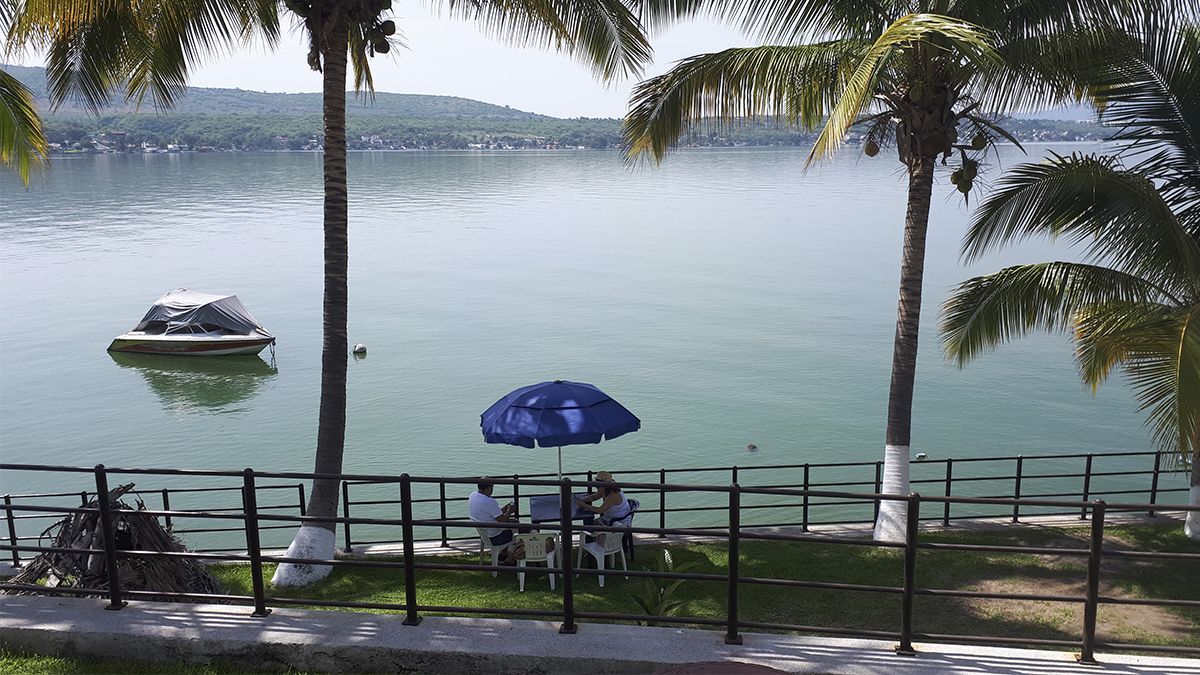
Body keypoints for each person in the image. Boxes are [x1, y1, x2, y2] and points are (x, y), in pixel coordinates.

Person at [469, 478, 522, 563]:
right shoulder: (489, 501)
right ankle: (511, 559)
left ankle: (504, 554)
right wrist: (509, 511)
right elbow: (502, 521)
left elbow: (491, 514)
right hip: (496, 538)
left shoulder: (473, 496)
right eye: (492, 487)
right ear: (489, 488)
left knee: (514, 522)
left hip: (485, 535)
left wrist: (504, 509)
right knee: (524, 532)